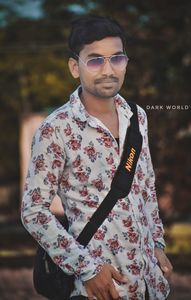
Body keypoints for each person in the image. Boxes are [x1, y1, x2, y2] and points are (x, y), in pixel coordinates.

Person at [21, 15, 173, 300]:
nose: (108, 70)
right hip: (98, 288)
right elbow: (34, 212)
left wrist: (157, 244)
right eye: (94, 60)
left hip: (150, 285)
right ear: (74, 67)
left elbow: (146, 185)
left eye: (117, 58)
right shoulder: (56, 128)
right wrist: (88, 270)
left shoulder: (137, 117)